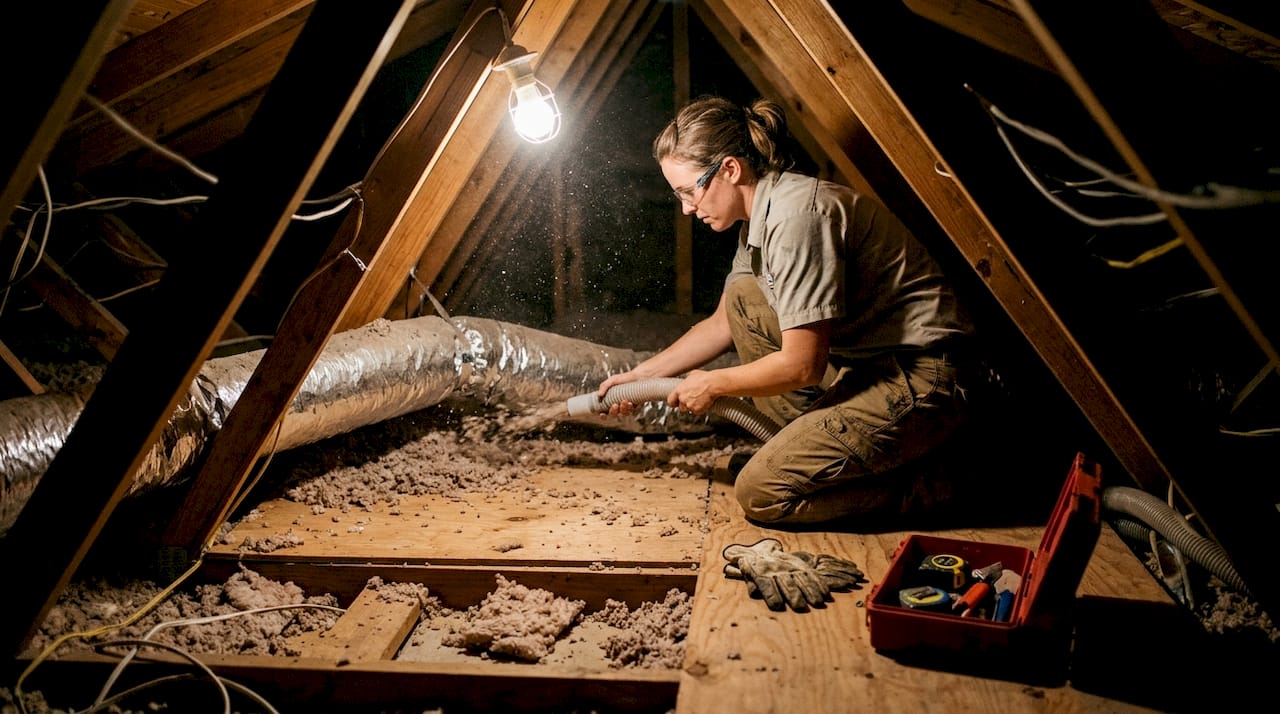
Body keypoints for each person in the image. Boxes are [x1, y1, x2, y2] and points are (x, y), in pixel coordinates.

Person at [595, 95, 975, 527]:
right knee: (744, 299)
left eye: (688, 191)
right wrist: (643, 375)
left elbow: (802, 367)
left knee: (762, 492)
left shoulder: (796, 220)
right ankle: (814, 452)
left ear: (730, 169)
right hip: (871, 364)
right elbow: (722, 323)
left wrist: (715, 383)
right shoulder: (760, 216)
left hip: (925, 376)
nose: (686, 208)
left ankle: (928, 487)